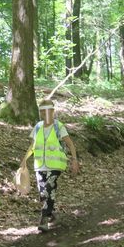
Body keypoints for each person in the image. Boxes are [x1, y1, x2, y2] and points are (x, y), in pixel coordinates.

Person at [24, 99, 80, 232]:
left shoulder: (58, 126)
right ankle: (50, 211)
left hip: (55, 165)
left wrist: (74, 160)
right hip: (40, 166)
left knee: (49, 187)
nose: (45, 114)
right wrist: (24, 160)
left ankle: (43, 219)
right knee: (44, 192)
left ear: (53, 112)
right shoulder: (37, 127)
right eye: (42, 111)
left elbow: (70, 143)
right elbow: (32, 146)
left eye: (47, 111)